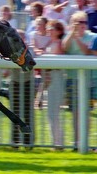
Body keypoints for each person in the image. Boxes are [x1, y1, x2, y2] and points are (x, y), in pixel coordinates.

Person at [62, 11, 97, 151]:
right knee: (76, 112)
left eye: (84, 22)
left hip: (90, 81)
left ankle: (85, 142)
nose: (82, 25)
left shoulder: (93, 36)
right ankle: (77, 142)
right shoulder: (68, 36)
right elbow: (64, 48)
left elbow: (88, 52)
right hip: (72, 80)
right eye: (79, 22)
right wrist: (72, 34)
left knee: (86, 112)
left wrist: (77, 38)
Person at [41, 20, 65, 150]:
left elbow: (56, 62)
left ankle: (58, 143)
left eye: (52, 29)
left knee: (53, 113)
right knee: (50, 113)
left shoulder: (58, 44)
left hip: (55, 78)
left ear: (59, 31)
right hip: (49, 79)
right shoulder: (50, 43)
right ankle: (56, 142)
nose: (49, 30)